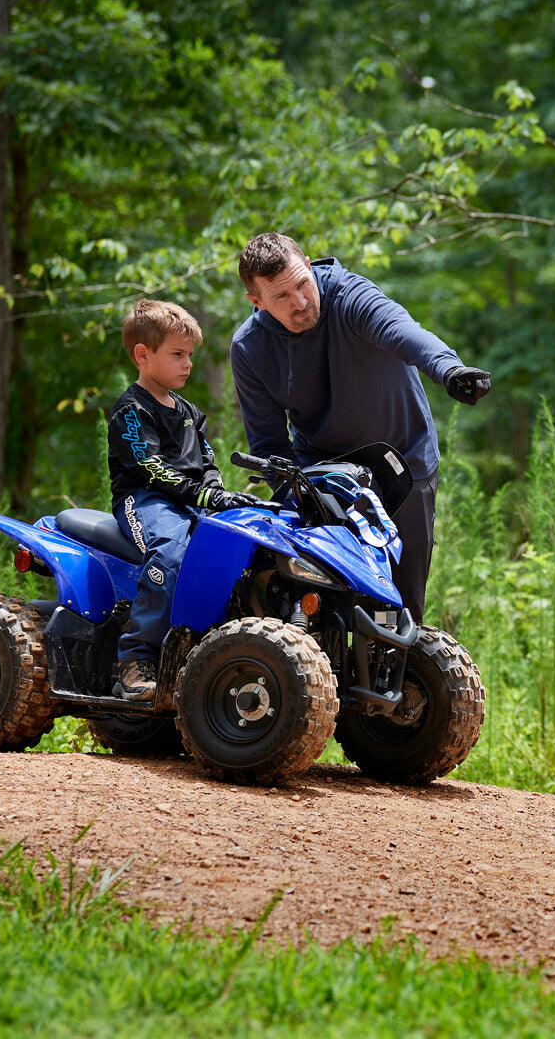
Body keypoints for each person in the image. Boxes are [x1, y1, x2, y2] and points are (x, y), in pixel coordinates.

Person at [228, 232, 490, 620]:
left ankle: (397, 659)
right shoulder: (250, 348)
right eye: (282, 296)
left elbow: (403, 331)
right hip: (324, 475)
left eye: (302, 283)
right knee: (320, 603)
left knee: (397, 607)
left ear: (309, 265)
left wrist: (448, 368)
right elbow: (269, 445)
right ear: (256, 301)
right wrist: (296, 498)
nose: (300, 302)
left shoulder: (348, 295)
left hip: (403, 463)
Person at [108, 299, 267, 701]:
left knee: (238, 554)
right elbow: (150, 468)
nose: (188, 364)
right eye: (177, 354)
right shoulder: (131, 410)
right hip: (145, 500)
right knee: (172, 555)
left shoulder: (190, 414)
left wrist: (218, 494)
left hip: (191, 503)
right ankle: (134, 659)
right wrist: (205, 494)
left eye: (190, 355)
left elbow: (208, 464)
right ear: (143, 355)